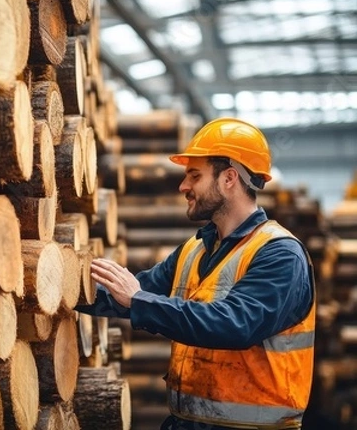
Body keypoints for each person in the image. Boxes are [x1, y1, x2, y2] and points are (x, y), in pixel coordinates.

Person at [77, 117, 316, 430]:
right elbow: (132, 292)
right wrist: (66, 291)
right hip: (186, 423)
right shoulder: (195, 249)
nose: (183, 186)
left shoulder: (280, 254)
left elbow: (233, 324)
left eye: (194, 175)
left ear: (229, 179)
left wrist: (139, 301)